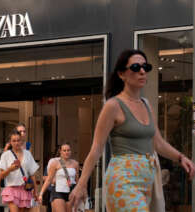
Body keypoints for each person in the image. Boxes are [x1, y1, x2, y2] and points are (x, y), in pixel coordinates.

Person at [69, 49, 195, 212]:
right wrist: (81, 184)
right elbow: (96, 149)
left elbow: (158, 143)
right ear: (122, 74)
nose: (142, 71)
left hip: (147, 181)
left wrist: (181, 157)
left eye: (145, 67)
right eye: (135, 67)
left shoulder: (146, 104)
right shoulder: (113, 106)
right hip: (123, 180)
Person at [0, 130, 39, 212]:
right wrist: (10, 169)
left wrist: (36, 191)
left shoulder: (28, 154)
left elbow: (32, 174)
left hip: (24, 189)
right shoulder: (6, 155)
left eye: (18, 140)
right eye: (14, 141)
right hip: (11, 188)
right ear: (10, 142)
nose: (16, 143)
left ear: (22, 141)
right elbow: (1, 175)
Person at [38, 143, 79, 212]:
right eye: (64, 150)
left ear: (71, 151)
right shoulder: (55, 163)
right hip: (58, 191)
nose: (66, 152)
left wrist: (80, 192)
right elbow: (48, 179)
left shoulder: (75, 163)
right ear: (60, 152)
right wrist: (41, 193)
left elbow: (77, 180)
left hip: (71, 191)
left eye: (68, 150)